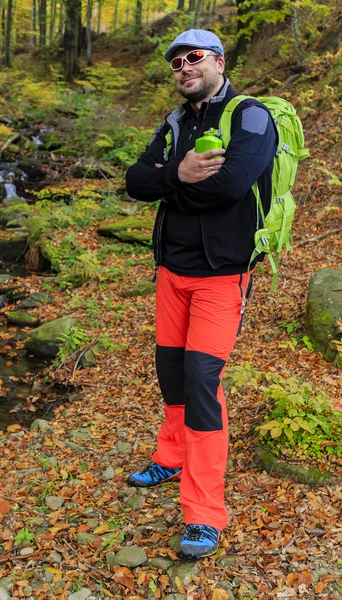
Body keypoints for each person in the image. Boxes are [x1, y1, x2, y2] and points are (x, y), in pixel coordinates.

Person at [125, 29, 277, 560]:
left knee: (202, 382)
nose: (183, 67)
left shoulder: (251, 116)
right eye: (174, 63)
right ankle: (170, 457)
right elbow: (135, 181)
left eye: (193, 58)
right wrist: (177, 173)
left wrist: (171, 184)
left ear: (218, 61)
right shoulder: (174, 123)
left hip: (223, 274)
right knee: (171, 372)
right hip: (172, 270)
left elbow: (232, 184)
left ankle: (205, 514)